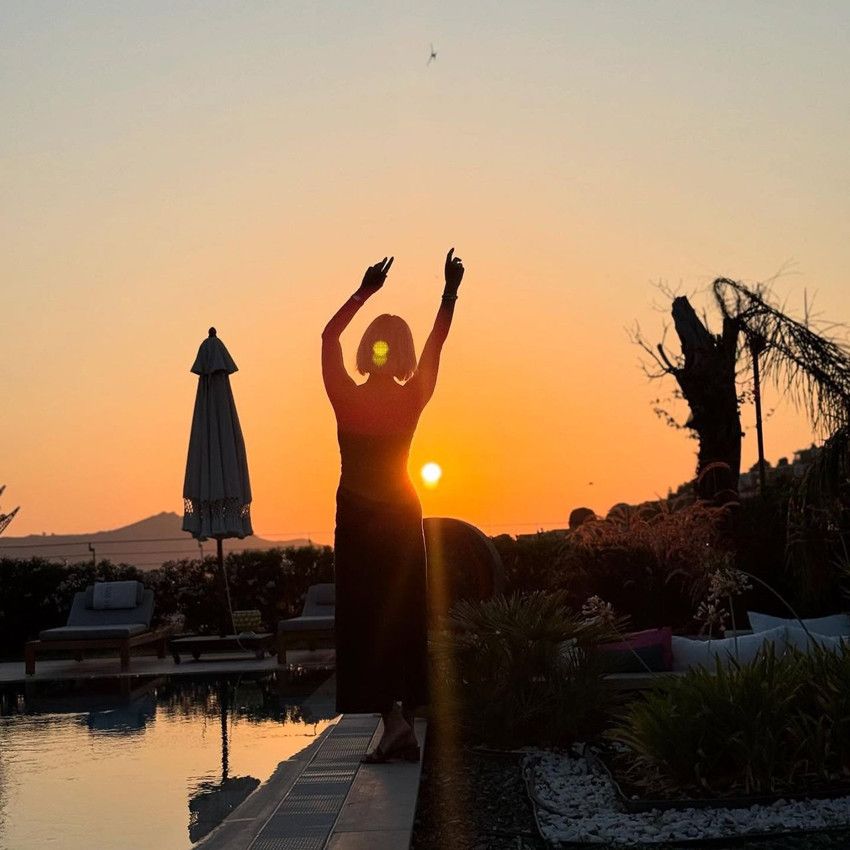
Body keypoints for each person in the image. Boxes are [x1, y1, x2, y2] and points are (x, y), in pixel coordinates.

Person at [321, 248, 465, 762]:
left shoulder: (345, 395)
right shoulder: (412, 396)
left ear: (371, 349)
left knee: (365, 618)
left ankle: (394, 723)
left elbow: (328, 338)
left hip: (358, 516)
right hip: (400, 514)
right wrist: (449, 293)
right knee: (400, 616)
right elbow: (436, 344)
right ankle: (398, 721)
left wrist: (363, 292)